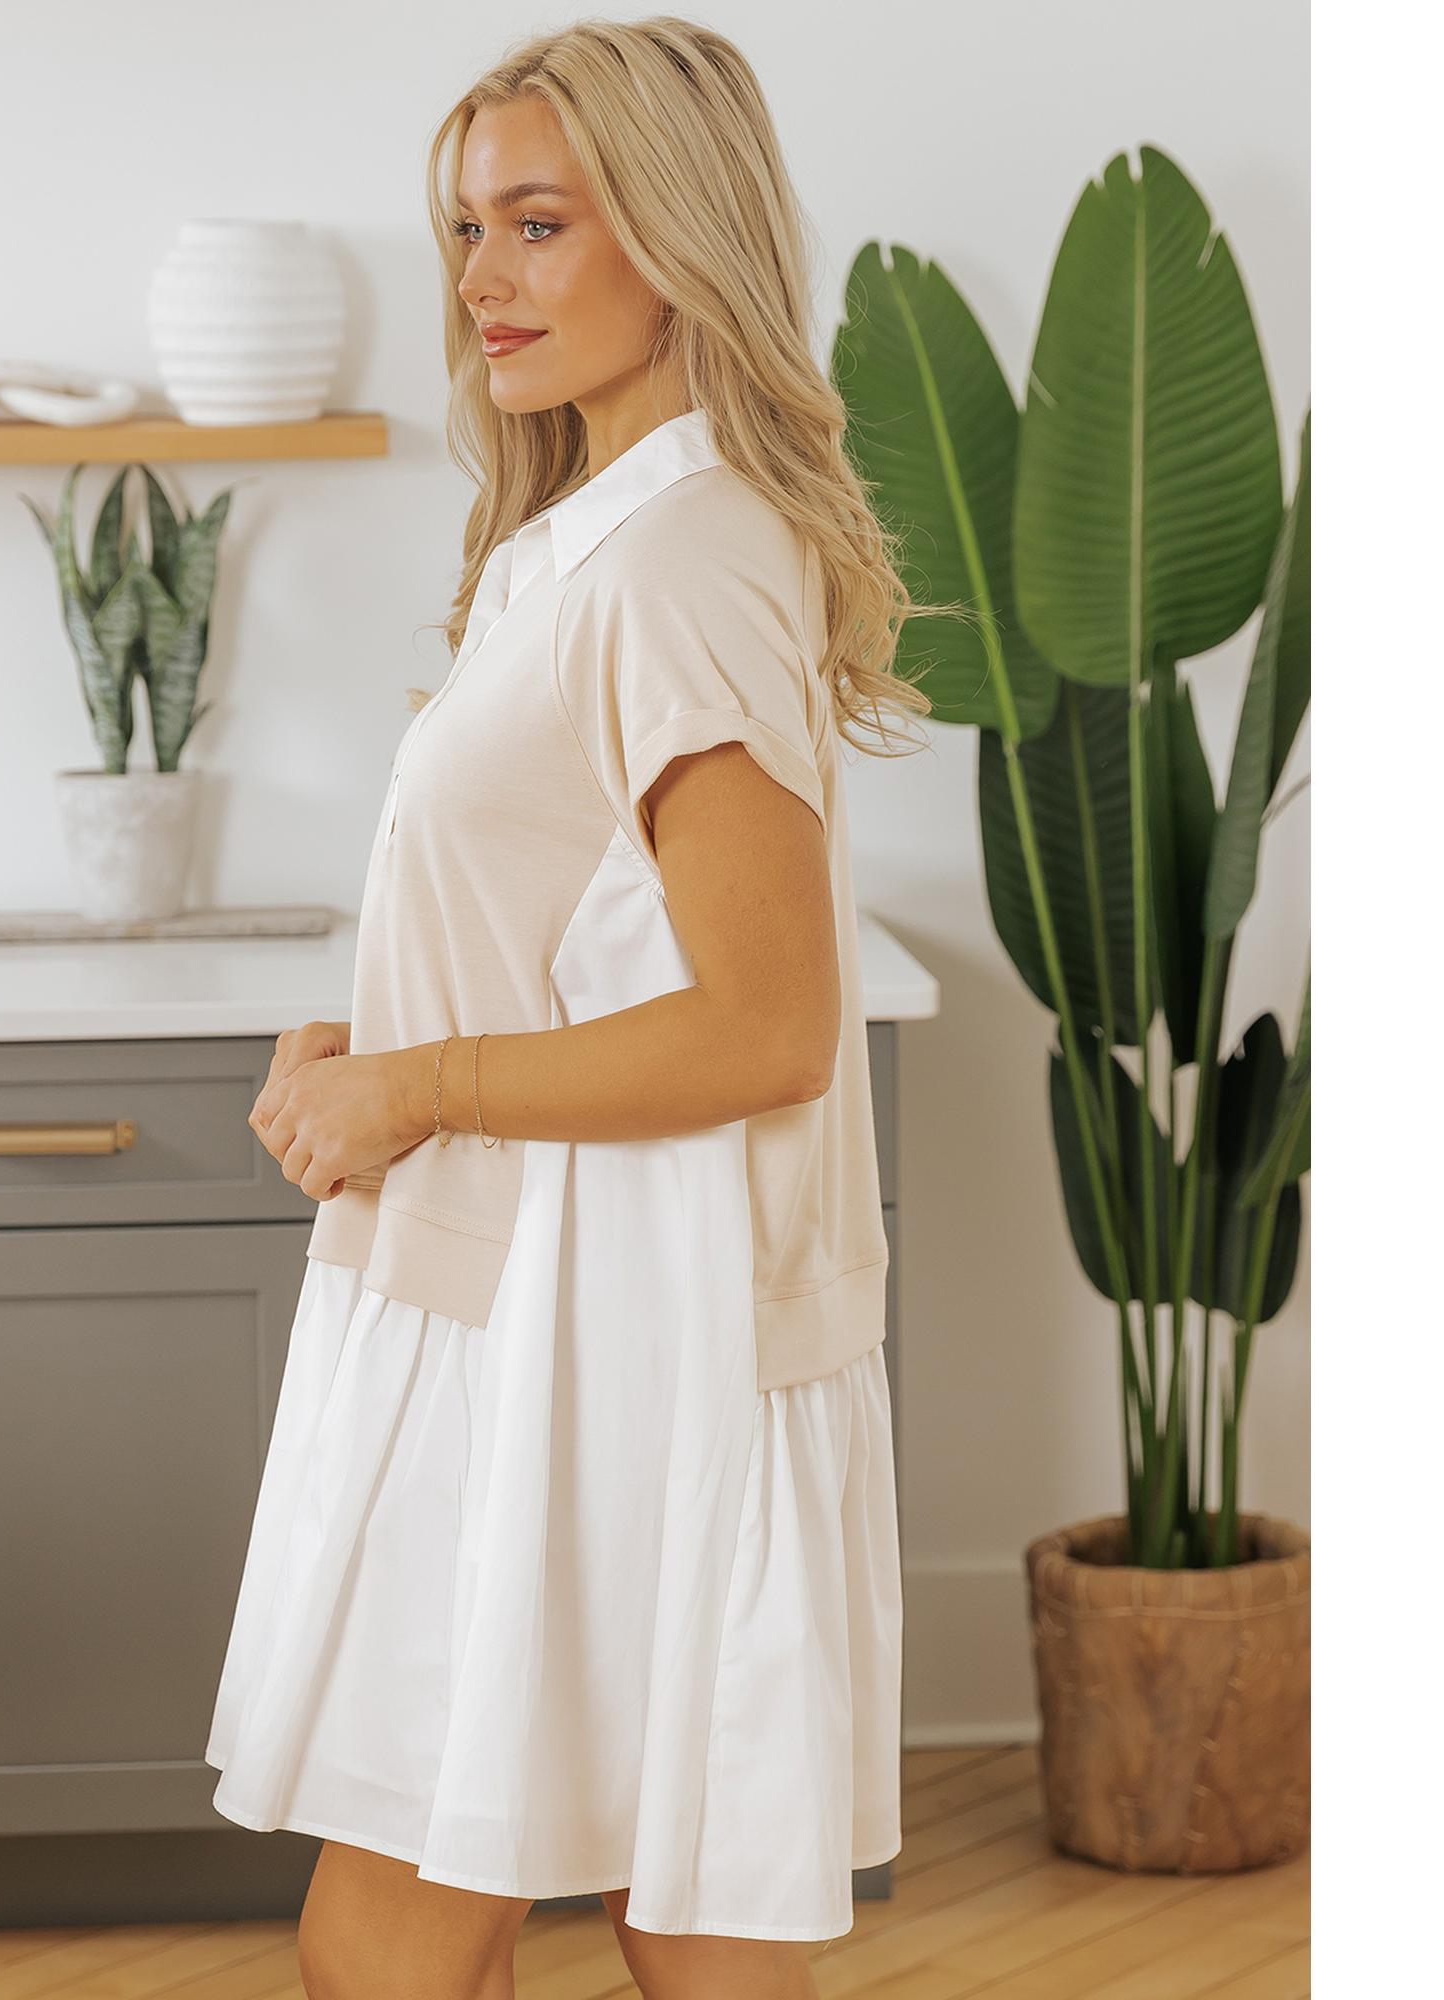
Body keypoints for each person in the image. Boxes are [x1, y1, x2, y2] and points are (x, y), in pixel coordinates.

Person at [204, 16, 943, 1998]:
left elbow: (765, 1029)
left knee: (401, 1932)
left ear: (680, 238)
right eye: (470, 227)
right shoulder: (587, 543)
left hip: (598, 1340)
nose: (482, 278)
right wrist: (376, 1044)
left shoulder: (675, 561)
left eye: (539, 223)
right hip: (555, 1308)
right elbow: (592, 938)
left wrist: (415, 1088)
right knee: (662, 1904)